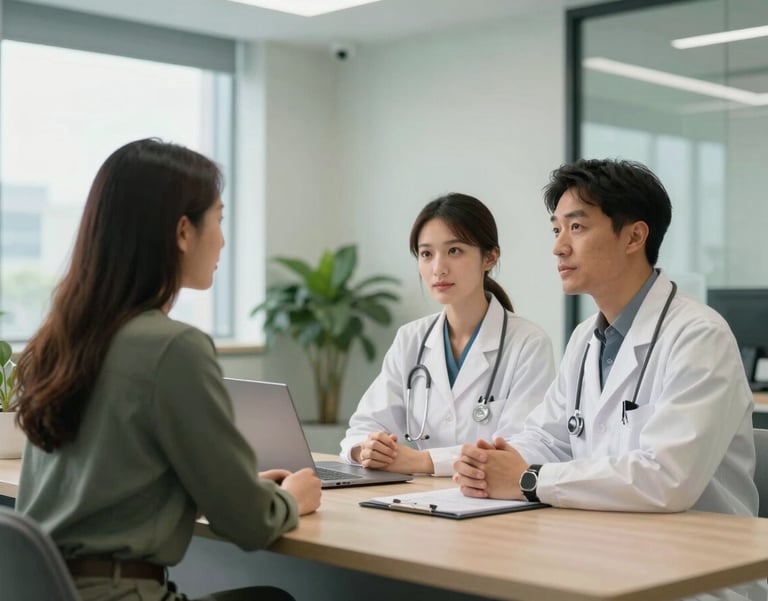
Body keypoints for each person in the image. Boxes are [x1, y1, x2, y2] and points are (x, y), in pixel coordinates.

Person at [13, 138, 322, 601]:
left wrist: (238, 487)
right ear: (182, 232)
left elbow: (117, 478)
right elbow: (249, 525)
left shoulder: (59, 340)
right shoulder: (174, 347)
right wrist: (291, 498)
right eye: (218, 219)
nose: (221, 238)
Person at [454, 159, 765, 601]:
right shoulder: (587, 338)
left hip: (696, 578)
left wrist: (528, 479)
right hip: (603, 558)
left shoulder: (698, 336)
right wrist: (494, 464)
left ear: (634, 236)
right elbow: (549, 435)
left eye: (576, 228)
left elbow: (666, 479)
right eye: (556, 230)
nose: (559, 248)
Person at [339, 193, 555, 476]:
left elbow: (521, 449)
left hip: (493, 502)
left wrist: (422, 462)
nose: (438, 268)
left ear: (490, 257)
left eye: (454, 251)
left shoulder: (528, 343)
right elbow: (363, 427)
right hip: (423, 499)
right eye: (427, 254)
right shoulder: (411, 339)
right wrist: (367, 449)